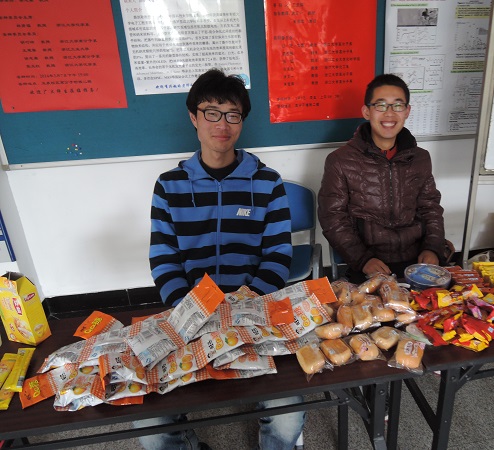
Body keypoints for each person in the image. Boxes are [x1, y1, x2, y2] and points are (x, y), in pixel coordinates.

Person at [136, 68, 304, 450]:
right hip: (190, 313)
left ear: (242, 121)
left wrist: (243, 304)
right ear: (193, 118)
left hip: (253, 310)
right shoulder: (169, 185)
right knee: (150, 426)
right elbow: (163, 258)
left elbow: (279, 254)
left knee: (288, 415)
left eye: (232, 114)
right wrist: (191, 309)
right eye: (211, 112)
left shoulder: (268, 182)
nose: (222, 124)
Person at [318, 73, 446, 285]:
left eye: (398, 105)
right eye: (381, 105)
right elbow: (332, 217)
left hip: (416, 259)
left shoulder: (420, 158)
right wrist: (362, 259)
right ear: (366, 111)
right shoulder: (340, 161)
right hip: (367, 262)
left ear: (407, 111)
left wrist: (432, 248)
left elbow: (430, 208)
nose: (389, 113)